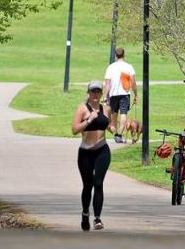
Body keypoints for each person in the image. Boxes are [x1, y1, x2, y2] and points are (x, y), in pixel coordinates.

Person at [71, 80, 116, 231]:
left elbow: (109, 124)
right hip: (85, 152)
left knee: (98, 183)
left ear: (101, 93)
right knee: (87, 185)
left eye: (98, 91)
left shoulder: (106, 108)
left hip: (102, 150)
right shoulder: (82, 108)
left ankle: (97, 218)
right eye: (92, 91)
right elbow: (75, 129)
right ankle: (85, 213)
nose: (95, 94)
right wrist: (89, 119)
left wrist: (113, 129)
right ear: (88, 93)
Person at [103, 47, 137, 144]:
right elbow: (133, 82)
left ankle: (115, 134)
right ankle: (119, 134)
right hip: (125, 93)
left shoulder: (111, 67)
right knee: (123, 114)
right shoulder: (129, 66)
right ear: (124, 55)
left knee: (114, 115)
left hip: (113, 94)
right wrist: (136, 94)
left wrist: (105, 96)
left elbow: (107, 84)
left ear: (115, 55)